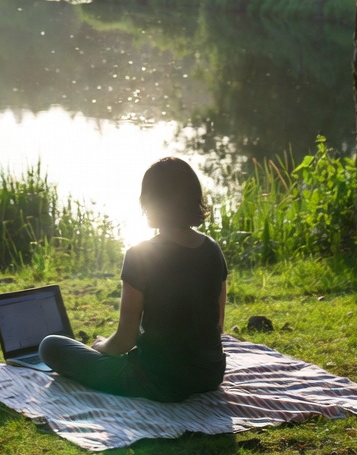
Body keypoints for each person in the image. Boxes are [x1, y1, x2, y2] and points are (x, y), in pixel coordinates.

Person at [39, 157, 228, 402]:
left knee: (50, 345)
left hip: (158, 381)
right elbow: (218, 326)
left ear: (150, 201)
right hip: (209, 374)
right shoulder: (212, 249)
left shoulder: (141, 255)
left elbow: (125, 340)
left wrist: (100, 347)